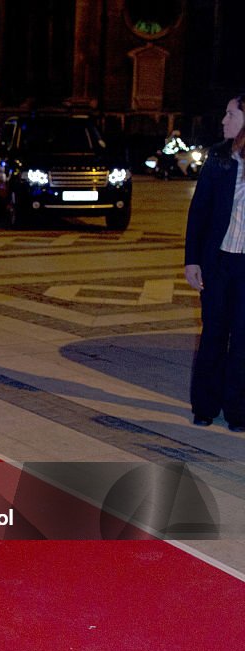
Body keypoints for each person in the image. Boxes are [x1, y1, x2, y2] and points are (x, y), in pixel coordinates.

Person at [184, 93, 245, 431]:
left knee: (244, 340)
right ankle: (205, 406)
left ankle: (238, 410)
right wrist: (192, 260)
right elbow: (199, 213)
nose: (224, 121)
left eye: (231, 114)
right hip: (218, 263)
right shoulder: (219, 158)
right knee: (214, 334)